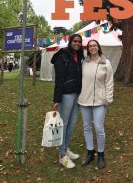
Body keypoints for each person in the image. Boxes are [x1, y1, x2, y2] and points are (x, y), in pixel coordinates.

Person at [78, 39, 114, 169]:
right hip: (84, 100)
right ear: (88, 49)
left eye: (94, 45)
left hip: (100, 101)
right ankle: (90, 153)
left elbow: (109, 82)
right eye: (90, 46)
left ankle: (101, 154)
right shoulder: (84, 63)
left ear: (98, 47)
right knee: (87, 127)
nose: (92, 47)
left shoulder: (106, 63)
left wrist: (108, 99)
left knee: (99, 128)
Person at [51, 34, 84, 169]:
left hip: (77, 94)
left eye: (79, 42)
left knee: (72, 124)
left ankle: (66, 148)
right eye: (75, 41)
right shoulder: (62, 56)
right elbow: (59, 79)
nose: (77, 43)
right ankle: (62, 155)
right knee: (64, 124)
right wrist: (57, 100)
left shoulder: (80, 56)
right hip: (66, 95)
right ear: (70, 42)